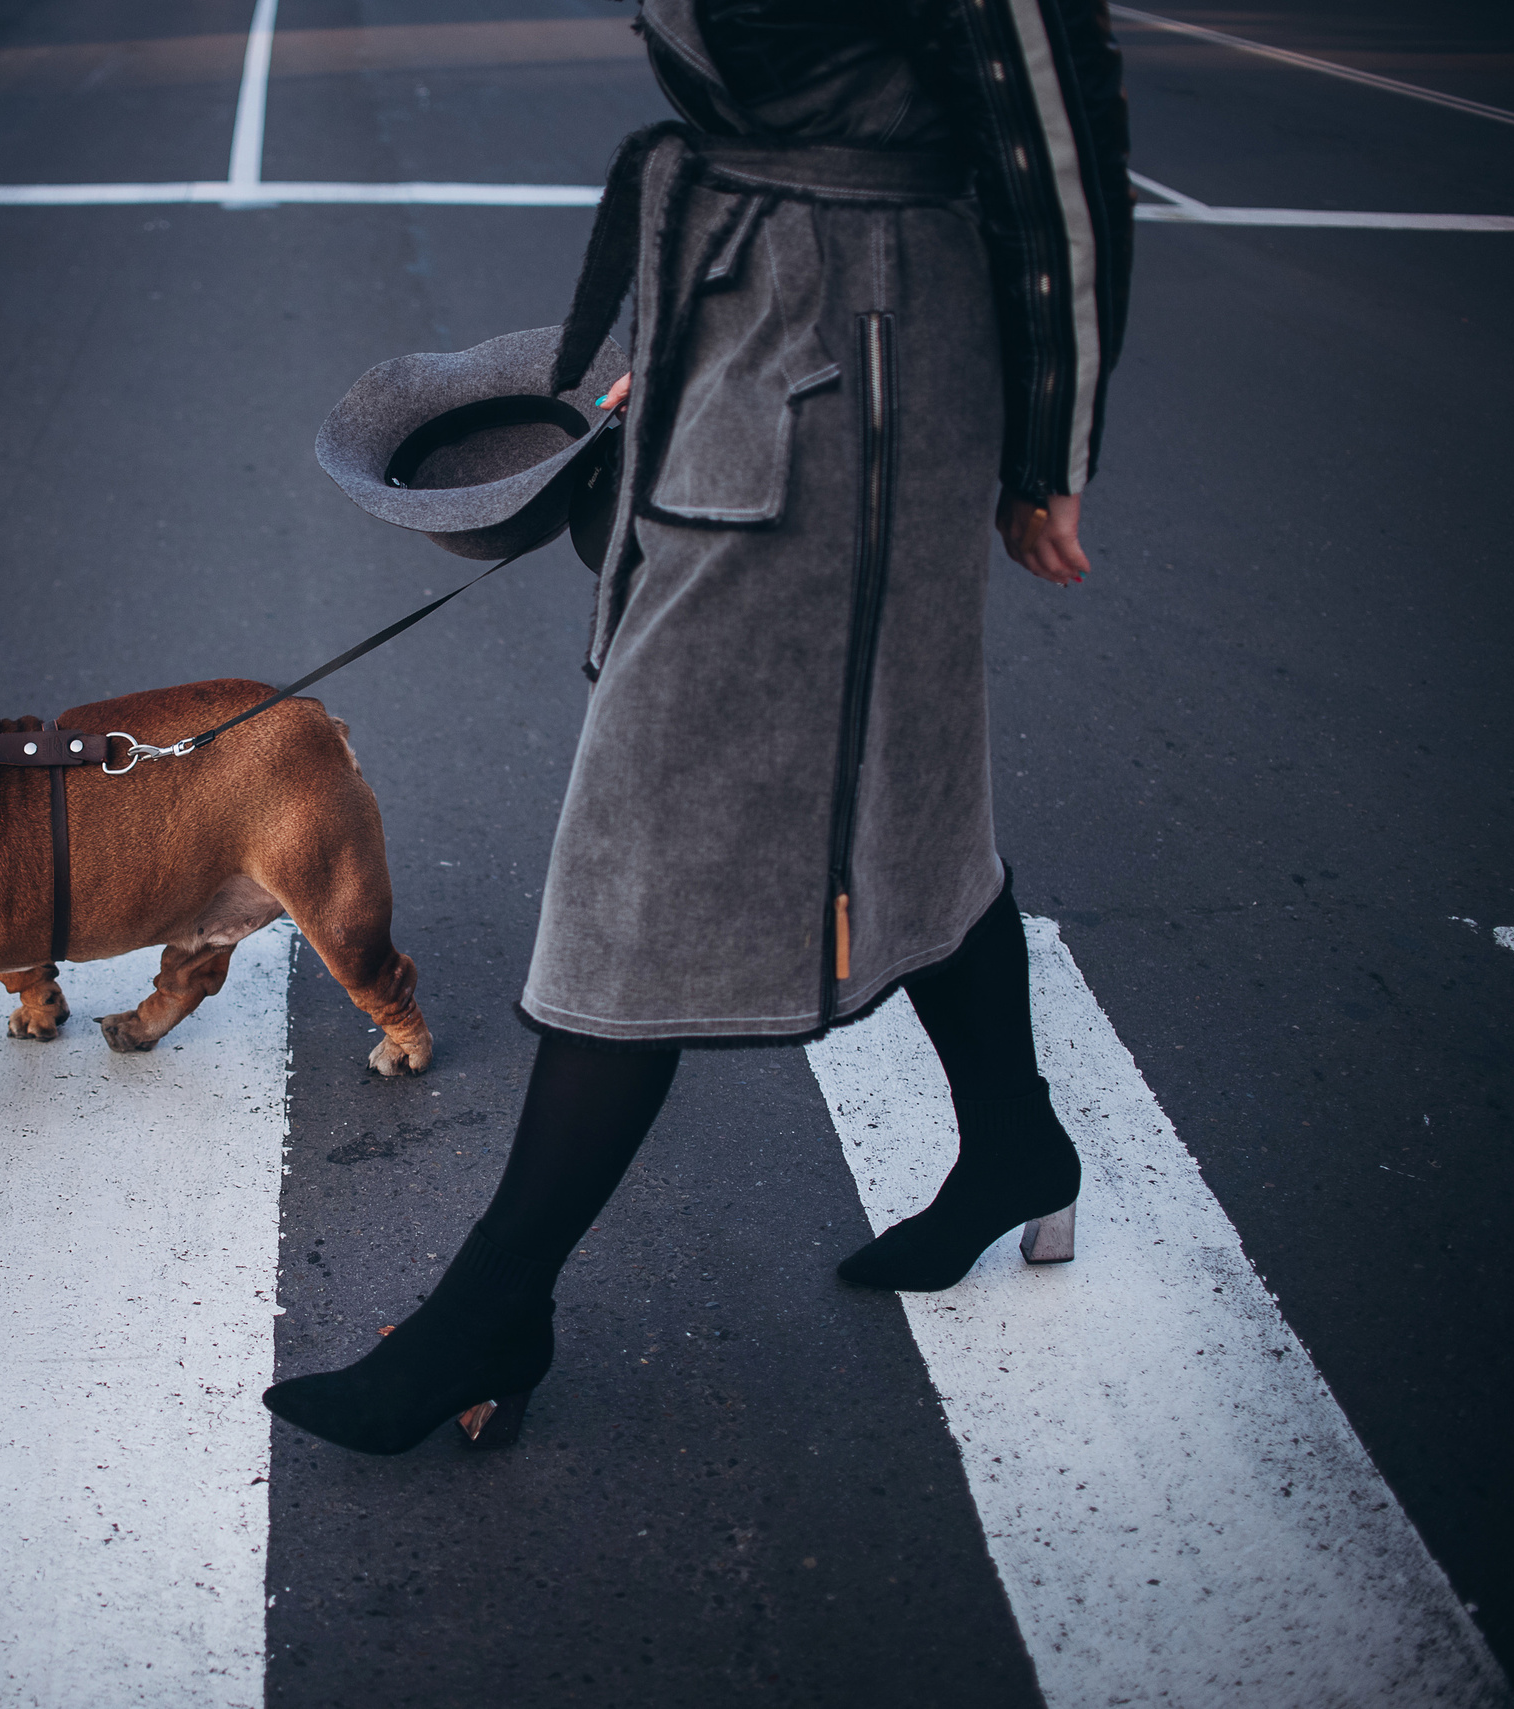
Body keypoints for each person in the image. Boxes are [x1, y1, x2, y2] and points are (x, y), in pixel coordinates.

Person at [265, 0, 1131, 1455]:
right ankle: (1016, 1140)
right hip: (765, 302)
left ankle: (498, 1298)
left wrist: (1056, 439)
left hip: (865, 354)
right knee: (906, 776)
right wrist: (681, 336)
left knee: (647, 823)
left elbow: (1056, 118)